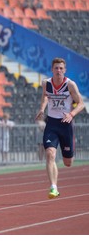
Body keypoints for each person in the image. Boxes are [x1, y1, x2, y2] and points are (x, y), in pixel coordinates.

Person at [35, 57, 84, 199]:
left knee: (68, 162)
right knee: (50, 154)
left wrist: (71, 113)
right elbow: (45, 96)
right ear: (52, 69)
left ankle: (69, 152)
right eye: (56, 68)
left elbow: (80, 103)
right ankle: (53, 187)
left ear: (65, 70)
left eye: (61, 68)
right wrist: (42, 108)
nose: (58, 70)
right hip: (52, 124)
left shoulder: (70, 85)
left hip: (66, 125)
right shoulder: (46, 83)